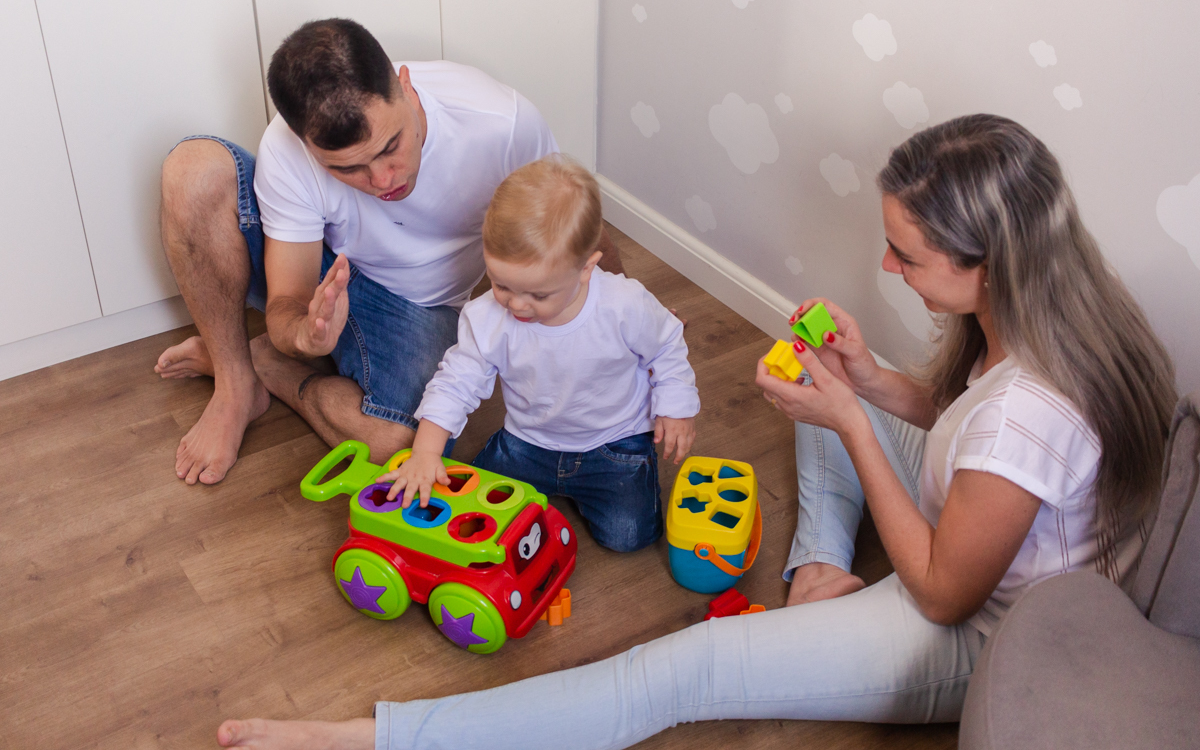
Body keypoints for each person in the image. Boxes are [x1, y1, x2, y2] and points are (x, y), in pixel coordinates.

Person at [215, 114, 1176, 750]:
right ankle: (817, 572)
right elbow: (958, 426)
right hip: (973, 517)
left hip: (979, 628)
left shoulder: (1025, 419)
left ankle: (378, 735)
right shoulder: (1036, 316)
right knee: (816, 403)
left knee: (680, 671)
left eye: (909, 254)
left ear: (989, 258)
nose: (887, 265)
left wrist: (846, 413)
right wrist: (870, 383)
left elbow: (939, 589)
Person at [154, 18, 624, 485]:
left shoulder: (499, 122)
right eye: (348, 168)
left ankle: (260, 366)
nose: (383, 181)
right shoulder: (287, 150)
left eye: (390, 146)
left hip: (420, 304)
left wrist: (624, 308)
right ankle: (236, 389)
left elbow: (569, 223)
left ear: (404, 85)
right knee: (192, 171)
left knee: (400, 445)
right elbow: (287, 301)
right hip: (322, 267)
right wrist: (303, 333)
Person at [378, 155, 699, 553]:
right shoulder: (486, 318)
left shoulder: (624, 304)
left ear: (586, 268)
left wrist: (676, 407)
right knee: (469, 516)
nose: (517, 305)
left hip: (613, 445)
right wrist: (426, 452)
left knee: (628, 537)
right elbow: (456, 381)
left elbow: (667, 344)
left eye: (538, 293)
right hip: (526, 445)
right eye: (501, 285)